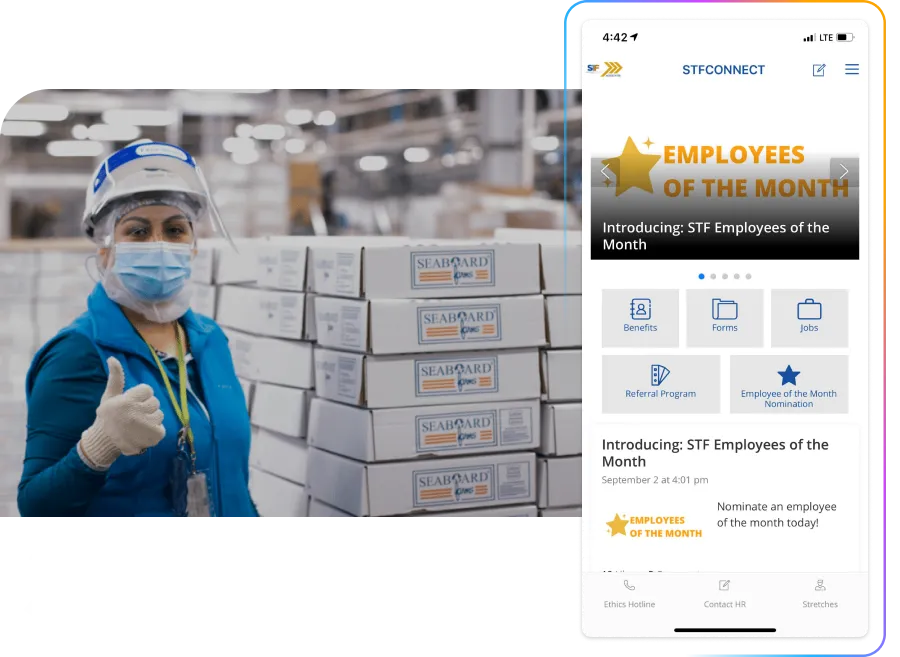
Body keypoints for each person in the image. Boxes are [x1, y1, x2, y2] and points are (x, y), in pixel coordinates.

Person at [18, 142, 259, 519]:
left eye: (176, 230)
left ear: (193, 246)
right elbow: (36, 506)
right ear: (105, 249)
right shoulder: (77, 352)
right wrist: (97, 448)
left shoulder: (210, 340)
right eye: (138, 231)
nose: (159, 245)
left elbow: (232, 480)